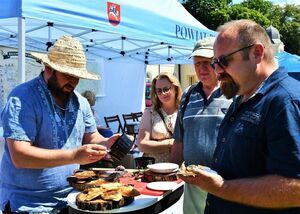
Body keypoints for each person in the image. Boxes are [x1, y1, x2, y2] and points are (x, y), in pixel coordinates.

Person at [178, 19, 300, 214]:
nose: (217, 71)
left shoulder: (285, 101)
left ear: (257, 53)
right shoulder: (242, 97)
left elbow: (295, 188)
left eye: (223, 61)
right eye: (215, 63)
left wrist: (221, 187)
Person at [0, 35, 119, 213]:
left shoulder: (80, 102)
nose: (73, 81)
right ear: (48, 68)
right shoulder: (23, 98)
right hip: (29, 204)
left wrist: (106, 144)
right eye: (67, 74)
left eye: (76, 76)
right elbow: (20, 156)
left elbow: (91, 136)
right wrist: (74, 156)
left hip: (71, 199)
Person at [170, 37, 232, 214]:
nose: (201, 68)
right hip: (193, 184)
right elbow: (179, 140)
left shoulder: (234, 93)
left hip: (224, 184)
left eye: (207, 62)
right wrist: (170, 174)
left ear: (219, 62)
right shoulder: (188, 94)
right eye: (197, 63)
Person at [137, 72, 182, 163]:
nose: (163, 93)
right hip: (155, 169)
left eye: (166, 89)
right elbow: (142, 145)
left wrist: (157, 144)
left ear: (175, 88)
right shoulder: (149, 113)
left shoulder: (184, 111)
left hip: (179, 168)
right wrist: (170, 144)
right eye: (159, 90)